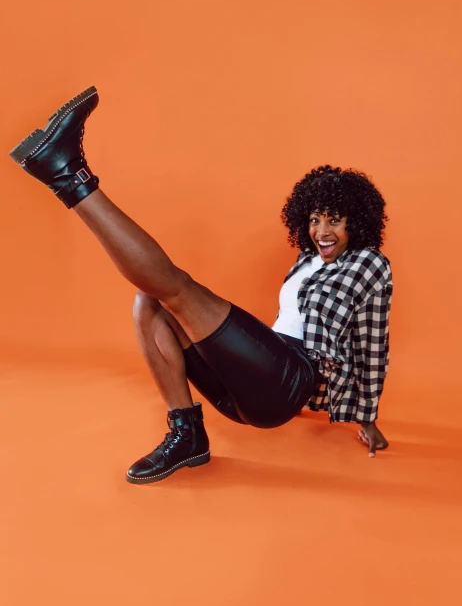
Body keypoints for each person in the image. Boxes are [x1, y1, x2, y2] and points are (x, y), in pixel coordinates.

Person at [9, 86, 393, 485]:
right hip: (249, 388)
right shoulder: (308, 261)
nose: (322, 230)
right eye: (315, 220)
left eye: (334, 220)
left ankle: (67, 175)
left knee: (175, 287)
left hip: (289, 379)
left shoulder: (369, 265)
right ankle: (187, 435)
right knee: (150, 301)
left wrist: (366, 417)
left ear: (359, 221)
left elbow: (372, 344)